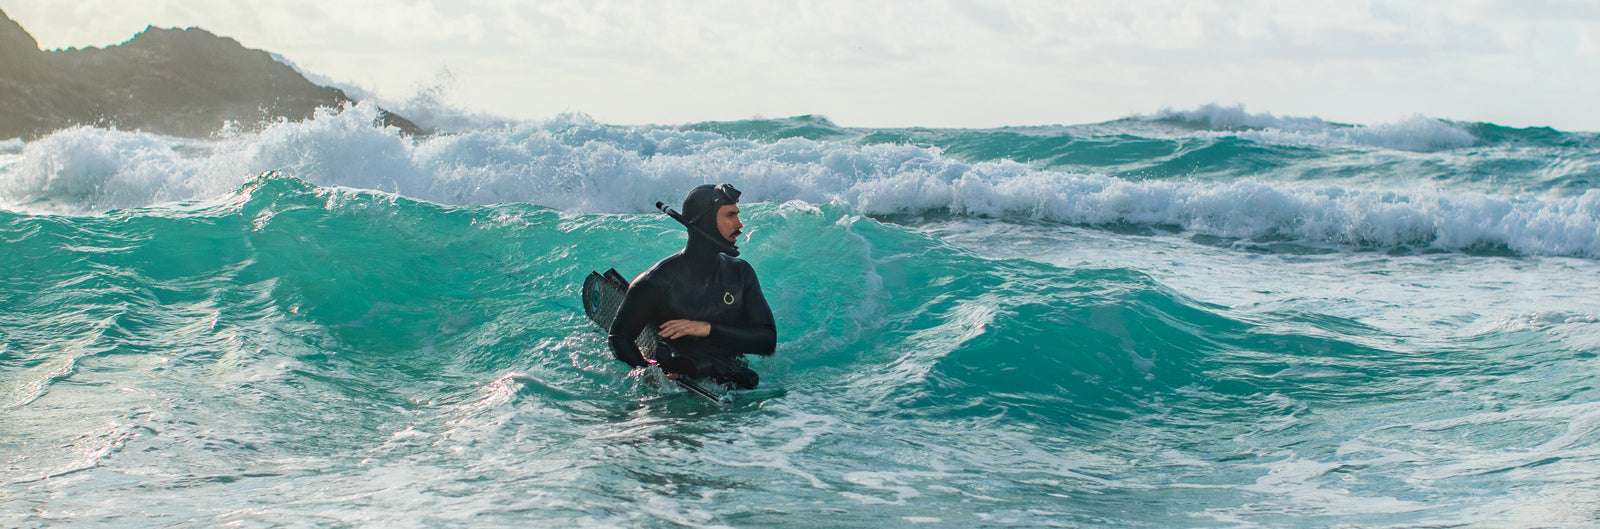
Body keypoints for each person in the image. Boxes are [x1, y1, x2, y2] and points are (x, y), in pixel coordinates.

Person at [607, 184, 776, 389]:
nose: (739, 225)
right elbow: (619, 337)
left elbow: (767, 341)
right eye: (730, 216)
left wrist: (706, 329)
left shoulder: (740, 273)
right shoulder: (654, 282)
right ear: (705, 222)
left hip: (731, 376)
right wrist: (647, 372)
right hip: (678, 384)